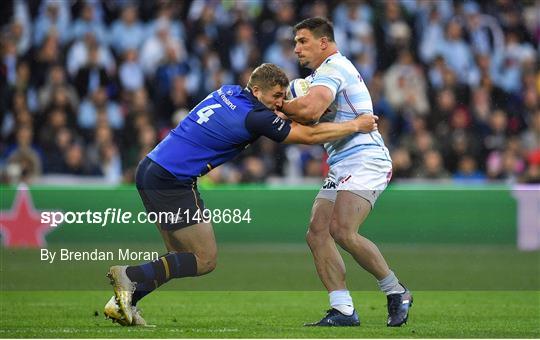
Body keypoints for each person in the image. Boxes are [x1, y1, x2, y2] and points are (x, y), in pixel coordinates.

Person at [104, 63, 379, 326]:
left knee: (178, 255)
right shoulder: (256, 116)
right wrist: (355, 125)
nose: (280, 103)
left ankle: (124, 301)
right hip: (171, 179)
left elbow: (265, 118)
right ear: (258, 92)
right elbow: (306, 136)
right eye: (276, 96)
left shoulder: (228, 91)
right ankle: (130, 275)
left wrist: (283, 111)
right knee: (204, 259)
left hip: (151, 169)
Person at [281, 18, 412, 327]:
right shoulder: (318, 76)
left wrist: (277, 105)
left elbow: (312, 111)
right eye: (295, 43)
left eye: (302, 41)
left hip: (367, 159)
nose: (296, 48)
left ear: (323, 42)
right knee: (317, 232)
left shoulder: (333, 69)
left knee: (342, 229)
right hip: (342, 163)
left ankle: (396, 291)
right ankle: (343, 309)